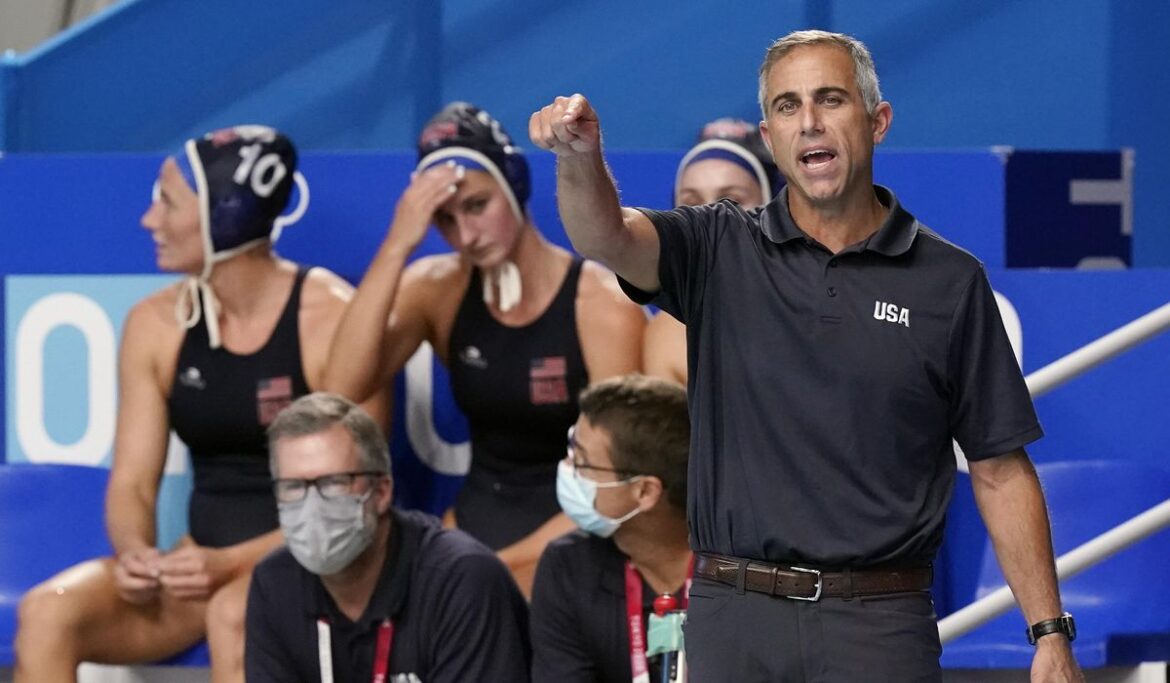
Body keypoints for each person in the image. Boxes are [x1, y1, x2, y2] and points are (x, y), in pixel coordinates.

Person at [531, 30, 1083, 683]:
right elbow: (605, 236)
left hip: (878, 625)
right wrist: (579, 159)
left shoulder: (950, 282)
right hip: (734, 617)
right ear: (770, 138)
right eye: (788, 106)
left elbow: (999, 470)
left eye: (831, 99)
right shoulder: (715, 247)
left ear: (877, 121)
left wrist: (1049, 633)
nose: (810, 121)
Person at [15, 125, 389, 683]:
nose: (149, 220)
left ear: (224, 215)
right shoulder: (155, 324)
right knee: (47, 614)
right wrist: (137, 554)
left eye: (167, 202)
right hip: (203, 568)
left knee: (235, 613)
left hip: (322, 568)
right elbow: (133, 484)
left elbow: (354, 503)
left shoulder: (333, 318)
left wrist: (229, 563)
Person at [323, 102, 645, 596]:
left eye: (476, 205)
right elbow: (342, 390)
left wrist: (493, 567)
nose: (466, 236)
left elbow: (621, 478)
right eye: (445, 220)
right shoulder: (439, 289)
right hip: (475, 525)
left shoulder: (599, 305)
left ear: (513, 184)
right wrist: (397, 244)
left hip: (574, 533)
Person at [246, 392, 530, 682]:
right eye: (293, 487)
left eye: (334, 483)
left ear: (381, 492)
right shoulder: (274, 583)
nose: (312, 506)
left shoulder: (461, 580)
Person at [530, 374, 692, 683]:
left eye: (582, 462)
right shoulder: (568, 567)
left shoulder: (735, 572)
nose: (567, 469)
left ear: (645, 491)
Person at [644, 118, 781, 385]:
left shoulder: (818, 304)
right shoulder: (668, 333)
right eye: (691, 202)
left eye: (731, 201)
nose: (708, 218)